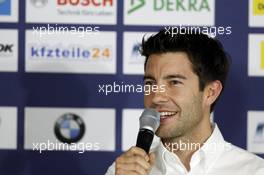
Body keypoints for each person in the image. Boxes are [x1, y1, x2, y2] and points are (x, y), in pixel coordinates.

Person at [105, 28, 264, 175]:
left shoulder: (254, 171)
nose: (156, 97)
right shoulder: (121, 171)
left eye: (174, 82)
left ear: (210, 92)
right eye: (150, 84)